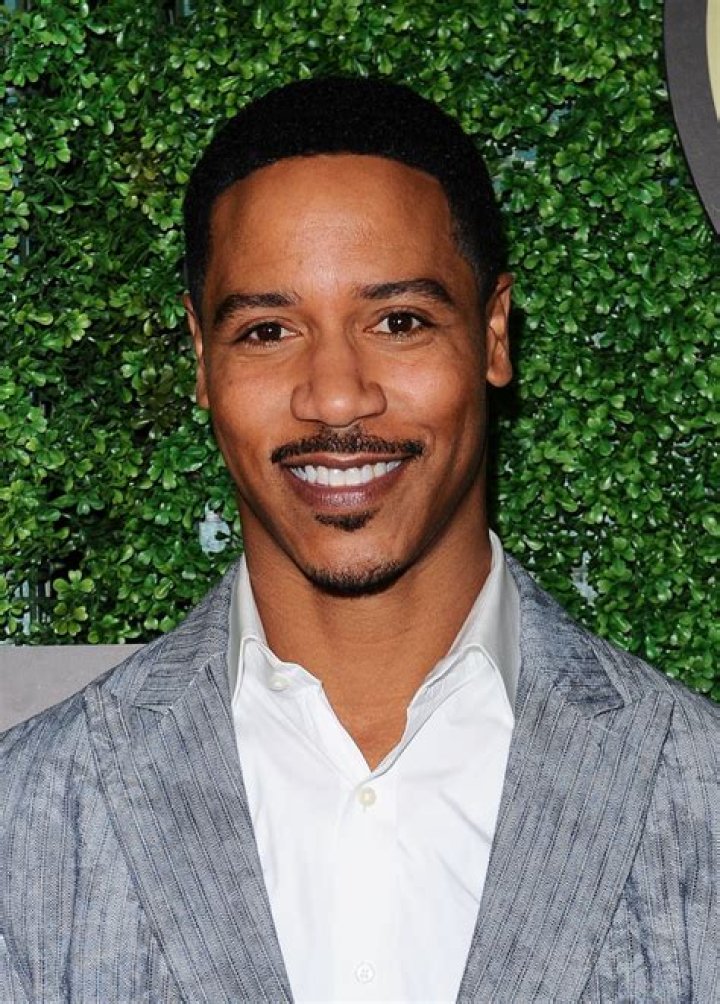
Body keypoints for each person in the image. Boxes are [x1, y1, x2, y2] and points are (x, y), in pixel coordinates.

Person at [1, 77, 717, 1004]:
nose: (336, 396)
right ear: (202, 361)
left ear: (494, 334)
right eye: (268, 330)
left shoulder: (699, 792)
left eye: (399, 322)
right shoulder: (25, 819)